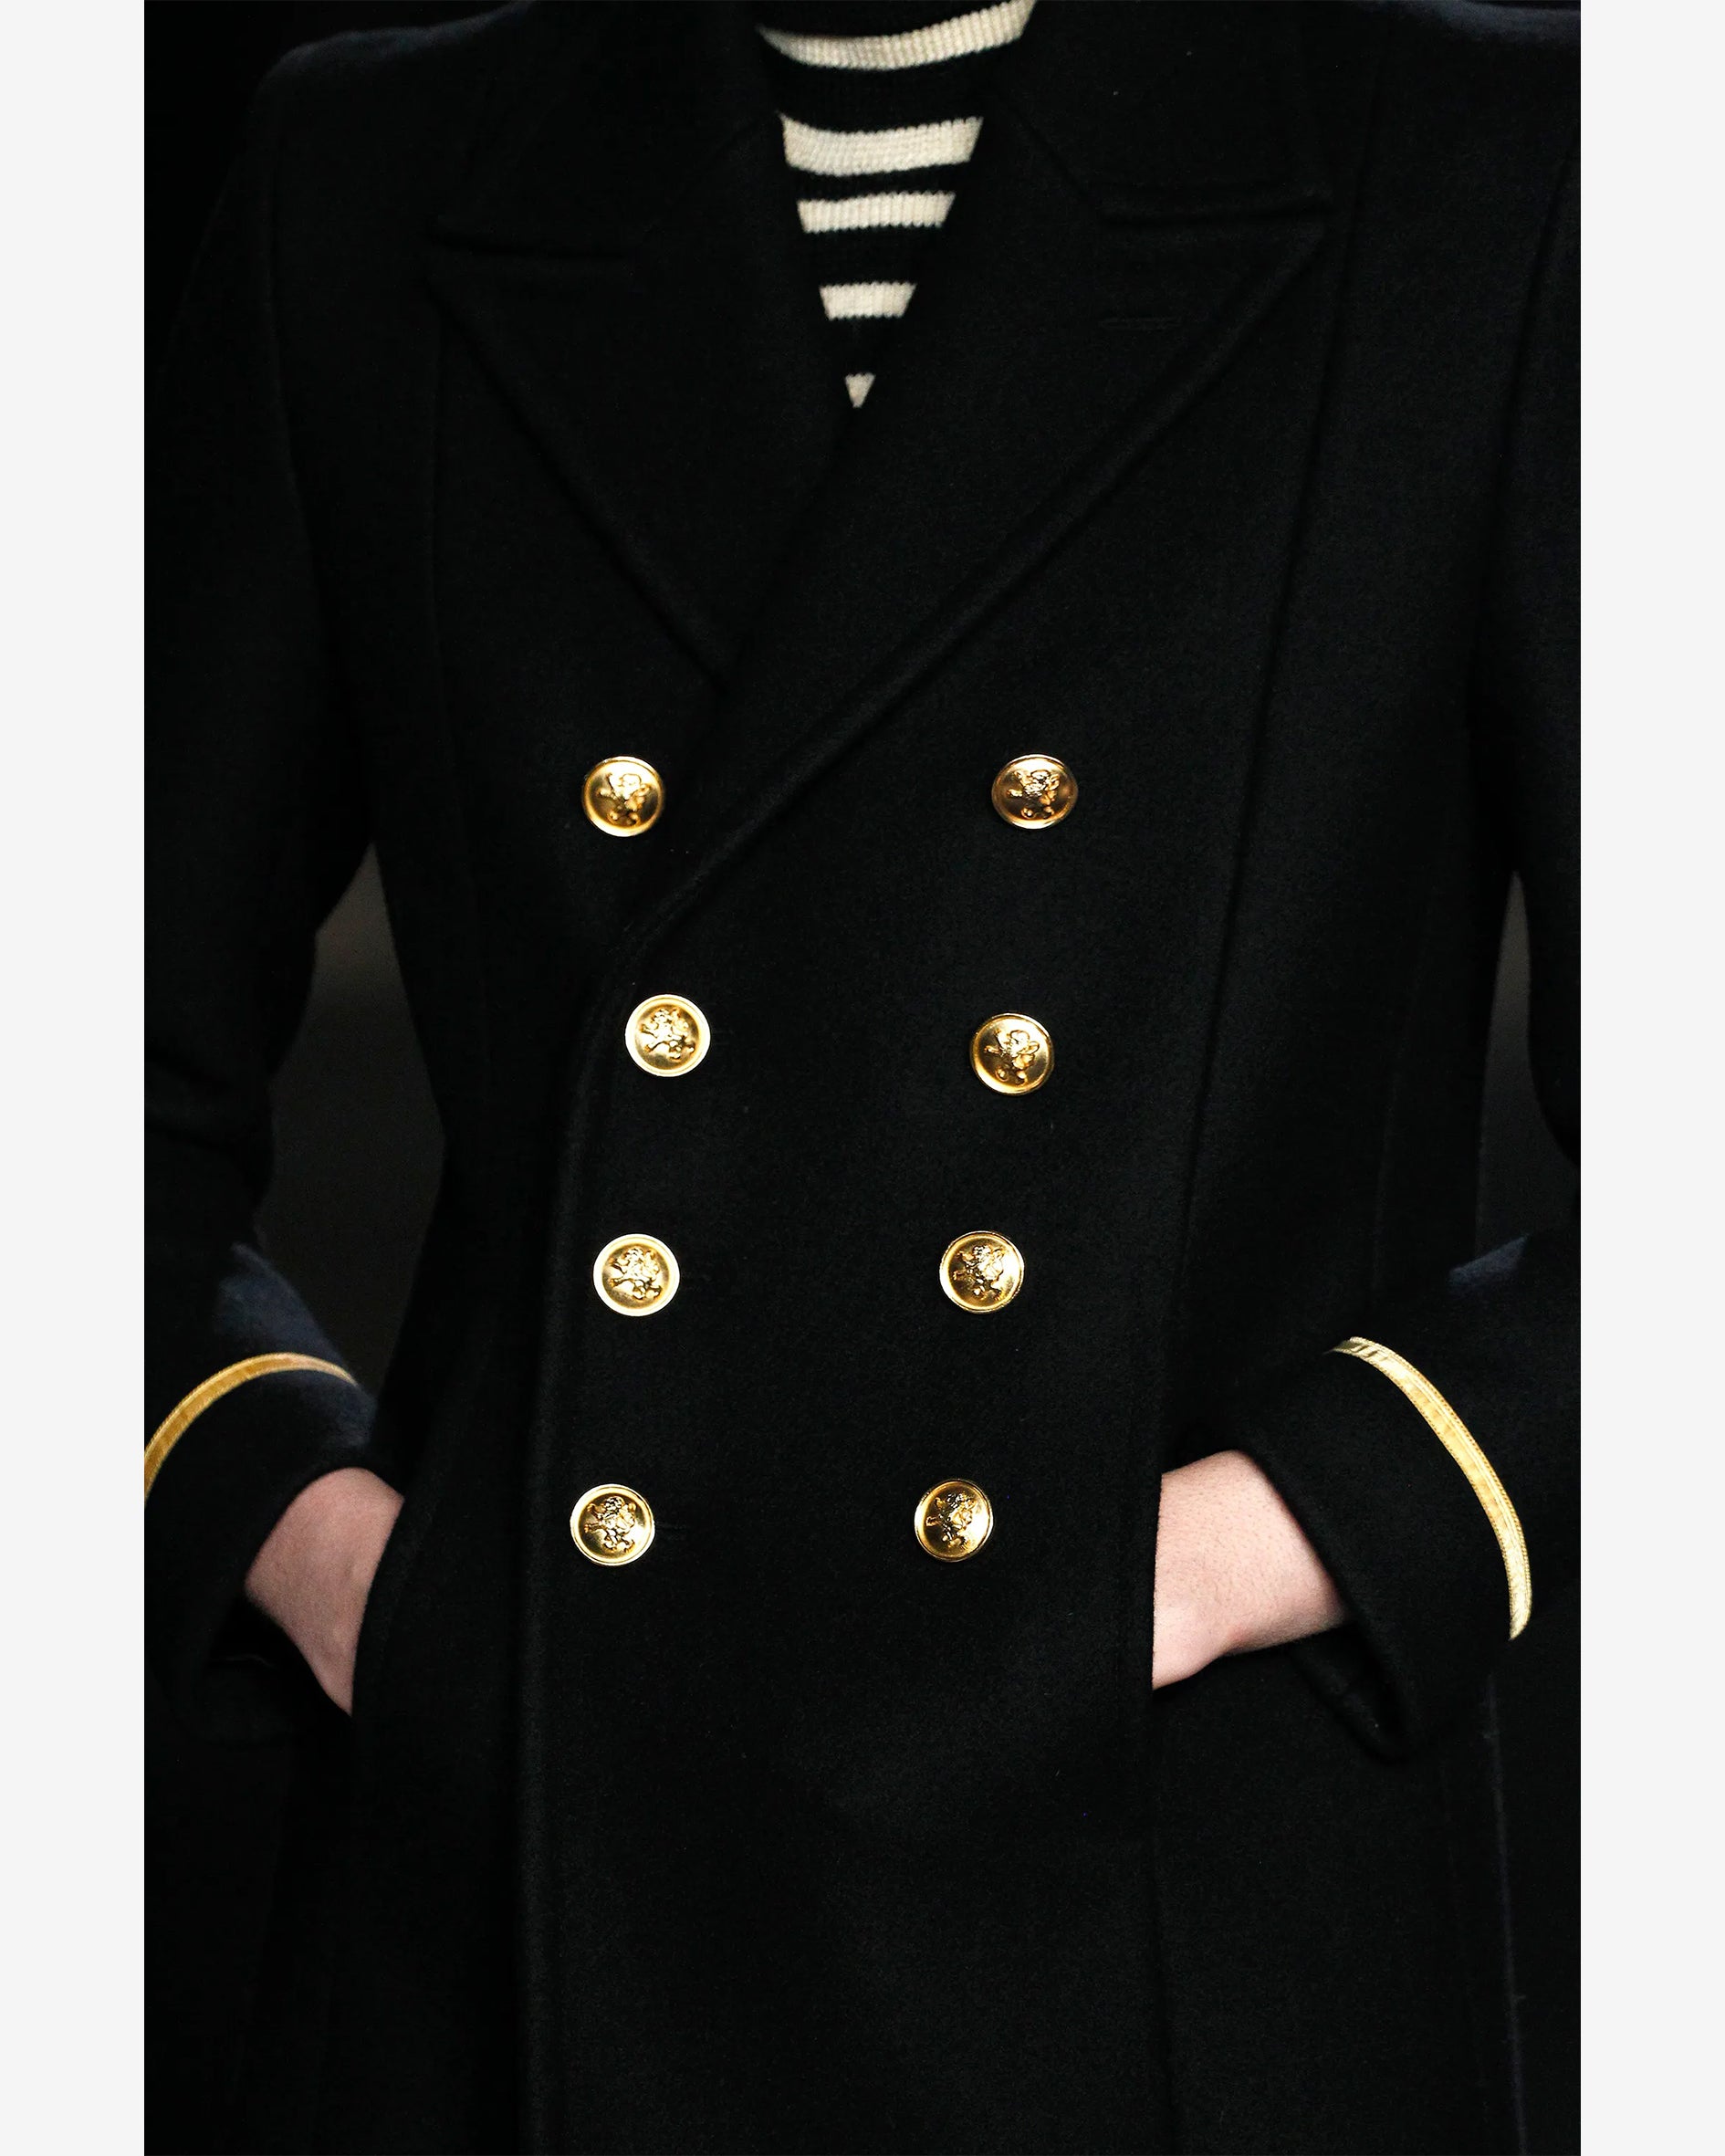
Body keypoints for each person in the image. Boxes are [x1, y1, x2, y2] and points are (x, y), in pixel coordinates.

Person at [145, 3, 1578, 2150]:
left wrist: (1277, 1538)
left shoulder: (1494, 151)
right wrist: (310, 1530)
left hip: (1178, 1883)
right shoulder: (371, 171)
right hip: (527, 1865)